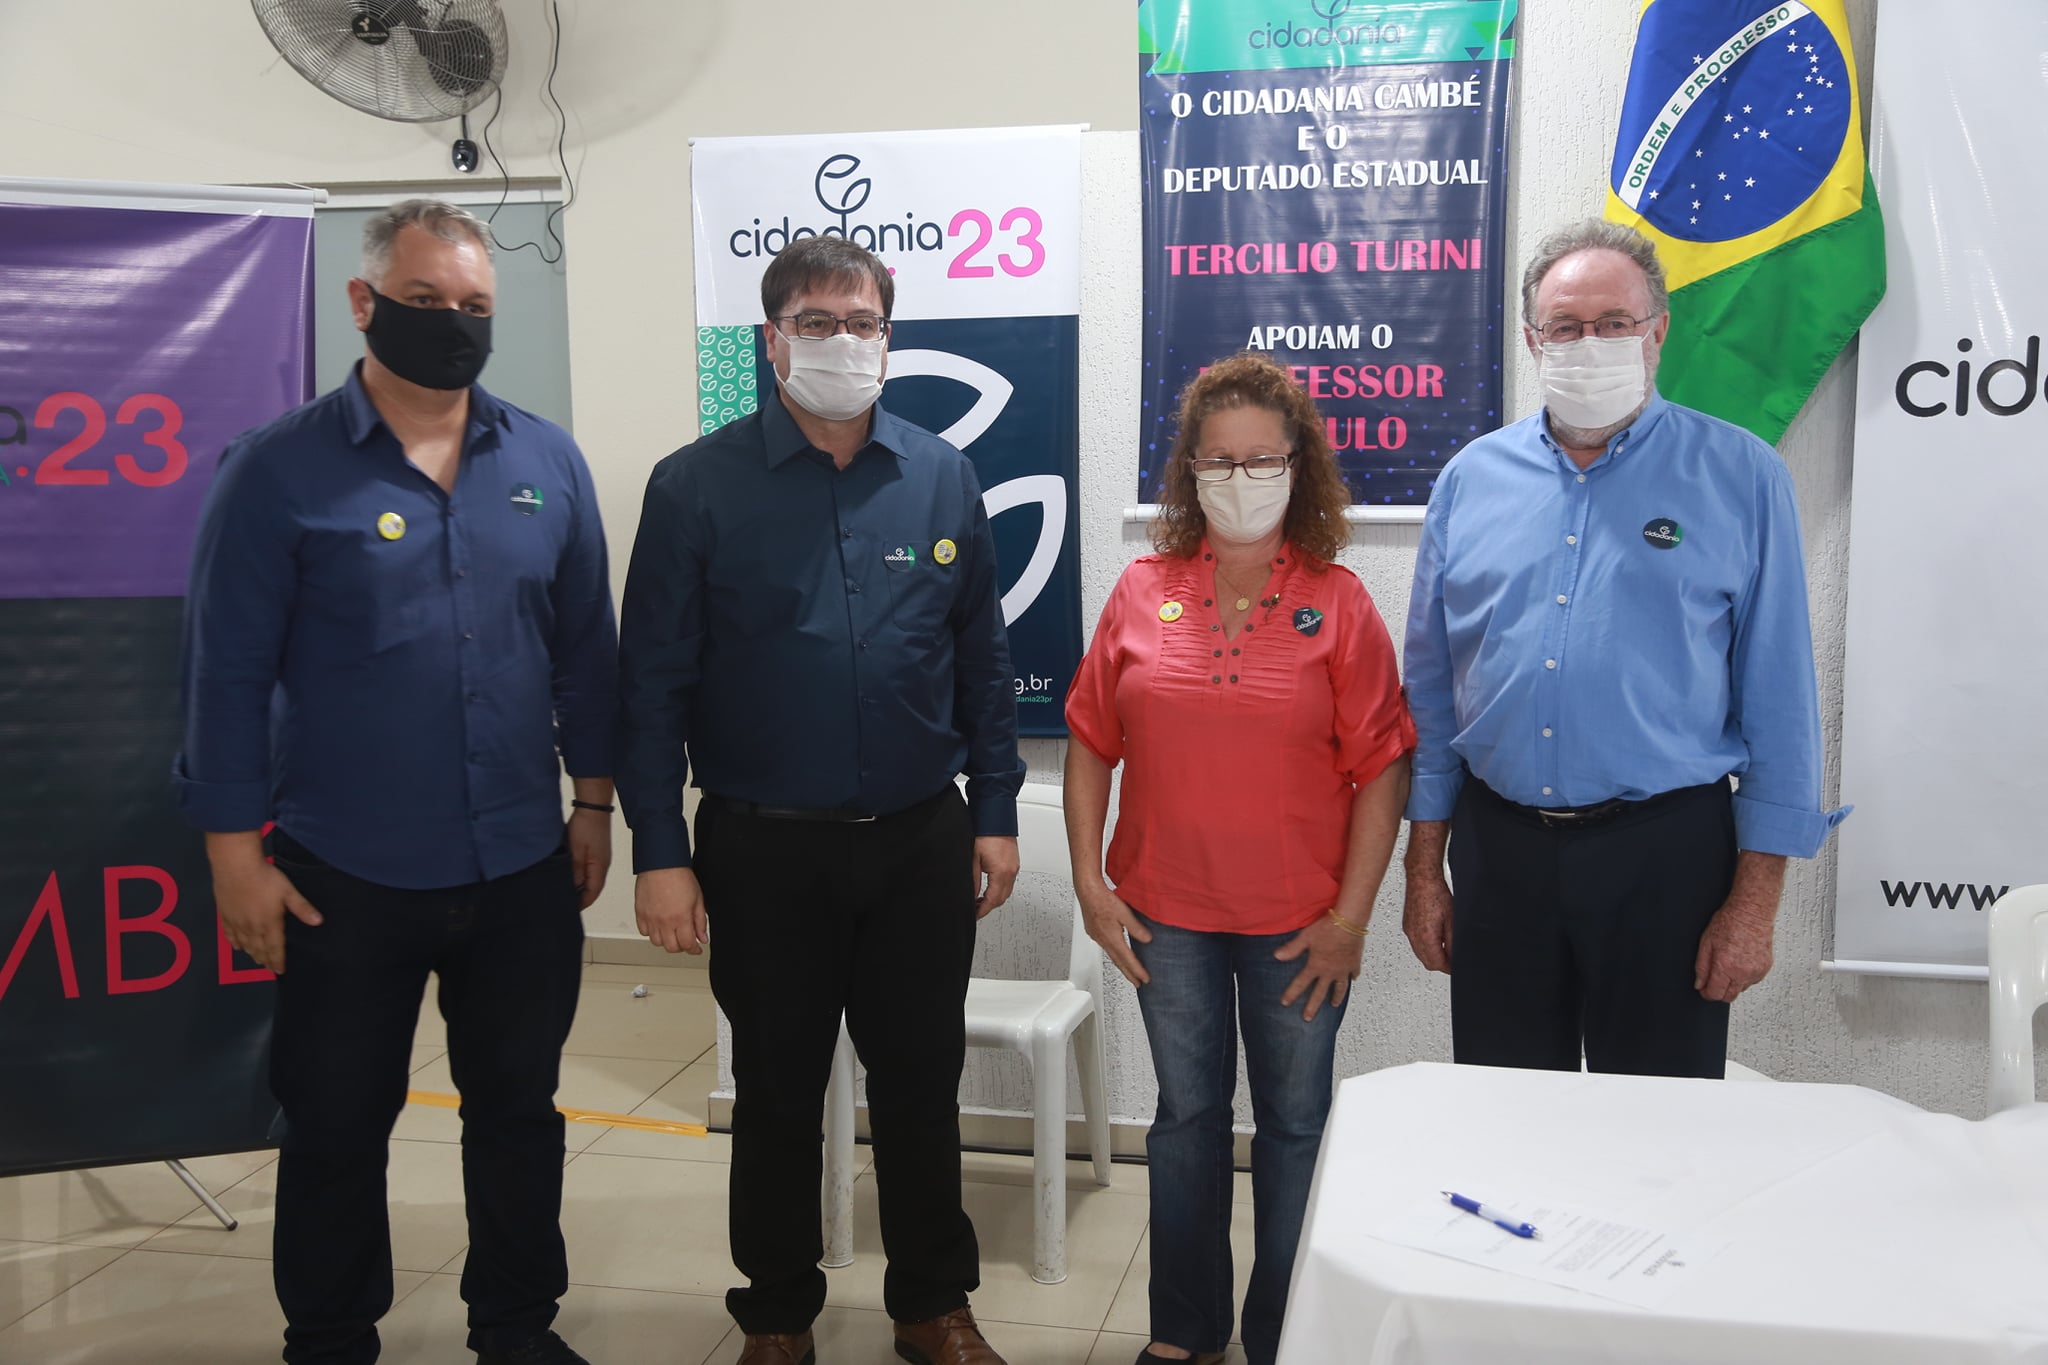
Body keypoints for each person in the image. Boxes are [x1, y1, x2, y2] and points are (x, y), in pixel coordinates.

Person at [175, 200, 615, 1365]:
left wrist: (592, 802)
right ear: (364, 303)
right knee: (335, 1124)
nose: (452, 323)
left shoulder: (547, 463)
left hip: (519, 862)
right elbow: (223, 675)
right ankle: (329, 1338)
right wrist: (233, 857)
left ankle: (514, 1325)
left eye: (473, 306)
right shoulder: (276, 471)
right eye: (426, 301)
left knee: (517, 1113)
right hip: (343, 872)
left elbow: (586, 653)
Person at [615, 234, 1026, 1365]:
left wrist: (995, 810)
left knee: (920, 1087)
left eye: (861, 323)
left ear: (888, 337)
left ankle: (931, 1304)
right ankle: (778, 1313)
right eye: (815, 322)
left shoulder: (940, 475)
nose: (841, 342)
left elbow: (982, 662)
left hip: (918, 839)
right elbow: (649, 686)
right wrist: (657, 849)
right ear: (771, 338)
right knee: (778, 1093)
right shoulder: (693, 485)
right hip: (762, 849)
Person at [1400, 218, 1847, 1078]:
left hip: (1667, 856)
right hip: (1499, 851)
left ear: (1658, 330)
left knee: (1659, 1125)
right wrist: (1424, 872)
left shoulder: (1743, 476)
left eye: (1614, 322)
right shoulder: (1469, 480)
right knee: (1505, 1110)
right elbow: (1430, 694)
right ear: (1532, 339)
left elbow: (1781, 707)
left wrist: (1754, 905)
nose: (1590, 342)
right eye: (1565, 326)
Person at [1064, 354, 1413, 1365]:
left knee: (1295, 1127)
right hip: (1162, 914)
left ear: (1299, 469)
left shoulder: (1339, 603)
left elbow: (1383, 769)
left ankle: (1282, 1336)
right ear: (1189, 472)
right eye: (1218, 461)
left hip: (1300, 929)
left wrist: (1350, 920)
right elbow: (1089, 740)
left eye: (1263, 460)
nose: (1240, 478)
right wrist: (1089, 882)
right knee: (1185, 1121)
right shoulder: (1142, 590)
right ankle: (1186, 1331)